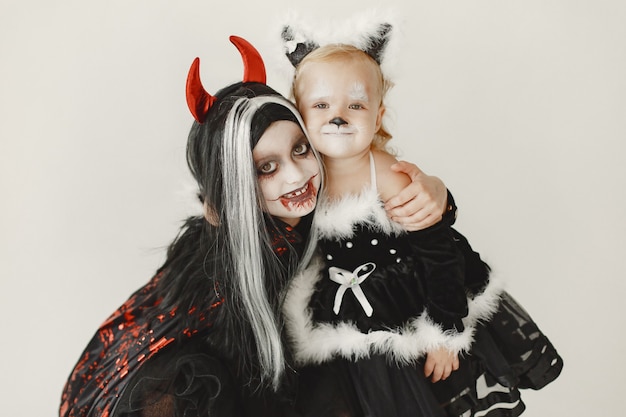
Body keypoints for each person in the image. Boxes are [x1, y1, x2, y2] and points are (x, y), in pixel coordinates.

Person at [59, 36, 450, 417]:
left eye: (300, 149)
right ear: (233, 188)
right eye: (266, 168)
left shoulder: (327, 172)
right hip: (209, 364)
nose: (296, 176)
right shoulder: (230, 262)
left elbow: (395, 208)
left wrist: (437, 195)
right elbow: (251, 372)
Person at [279, 20, 563, 417]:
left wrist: (445, 330)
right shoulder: (300, 176)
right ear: (299, 115)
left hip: (414, 305)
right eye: (321, 105)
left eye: (355, 105)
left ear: (377, 117)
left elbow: (441, 252)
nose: (338, 117)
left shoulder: (390, 175)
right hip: (348, 322)